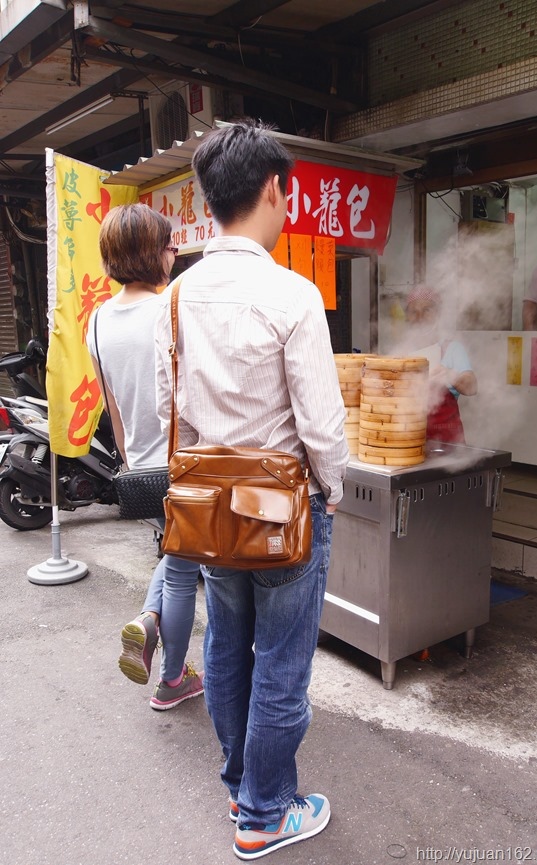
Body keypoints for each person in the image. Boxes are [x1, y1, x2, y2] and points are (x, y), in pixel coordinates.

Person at [154, 121, 348, 860]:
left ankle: (242, 785)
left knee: (229, 647)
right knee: (282, 663)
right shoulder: (292, 294)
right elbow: (321, 424)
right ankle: (266, 813)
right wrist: (332, 487)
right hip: (283, 510)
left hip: (207, 506)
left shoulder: (177, 294)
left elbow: (171, 404)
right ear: (273, 189)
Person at [86, 203, 204, 711]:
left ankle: (149, 624)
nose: (175, 253)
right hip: (186, 464)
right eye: (169, 244)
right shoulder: (172, 307)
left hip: (141, 469)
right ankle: (173, 679)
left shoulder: (97, 321)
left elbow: (112, 404)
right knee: (181, 571)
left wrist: (134, 459)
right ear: (150, 253)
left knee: (174, 555)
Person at [405, 286, 478, 444]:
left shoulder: (452, 349)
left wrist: (450, 375)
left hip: (447, 443)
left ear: (438, 314)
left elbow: (472, 387)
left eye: (427, 310)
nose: (420, 317)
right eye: (413, 311)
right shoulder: (401, 352)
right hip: (409, 441)